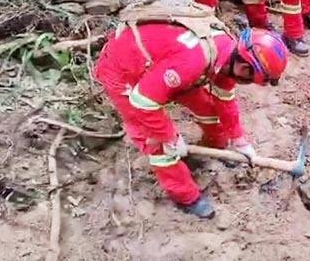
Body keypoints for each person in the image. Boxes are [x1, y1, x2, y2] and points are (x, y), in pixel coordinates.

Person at [95, 25, 288, 219]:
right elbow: (143, 101)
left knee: (209, 111)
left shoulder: (227, 53)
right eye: (250, 80)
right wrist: (169, 137)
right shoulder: (192, 62)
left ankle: (215, 147)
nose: (247, 84)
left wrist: (239, 141)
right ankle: (186, 197)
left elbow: (225, 100)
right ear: (245, 68)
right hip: (124, 70)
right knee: (158, 145)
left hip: (163, 65)